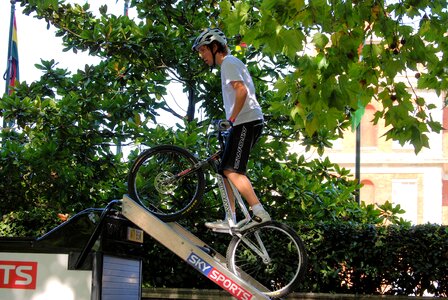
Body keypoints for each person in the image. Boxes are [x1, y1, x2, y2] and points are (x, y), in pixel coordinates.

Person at [192, 28, 270, 231]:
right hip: (244, 122)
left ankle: (259, 212)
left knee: (232, 170)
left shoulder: (228, 62)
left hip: (247, 121)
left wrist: (232, 119)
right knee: (224, 171)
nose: (202, 56)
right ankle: (230, 218)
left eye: (203, 50)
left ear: (215, 46)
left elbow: (241, 91)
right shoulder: (229, 65)